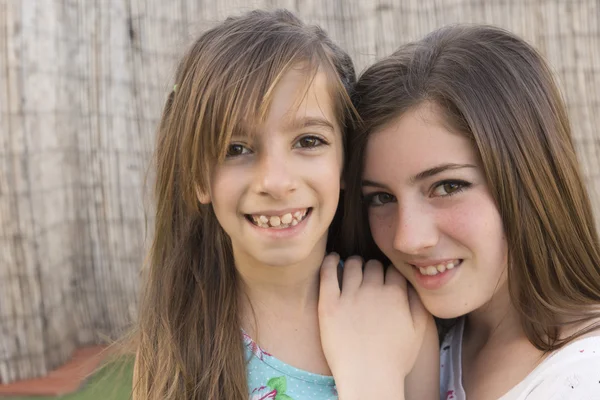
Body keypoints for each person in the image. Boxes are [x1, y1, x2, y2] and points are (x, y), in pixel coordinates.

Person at [131, 9, 438, 400]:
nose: (276, 182)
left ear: (346, 162)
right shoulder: (174, 339)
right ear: (197, 176)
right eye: (235, 148)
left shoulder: (399, 315)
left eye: (309, 141)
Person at [324, 24, 600, 399]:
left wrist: (371, 382)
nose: (409, 239)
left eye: (448, 187)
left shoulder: (584, 376)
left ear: (530, 177)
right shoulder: (413, 337)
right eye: (381, 198)